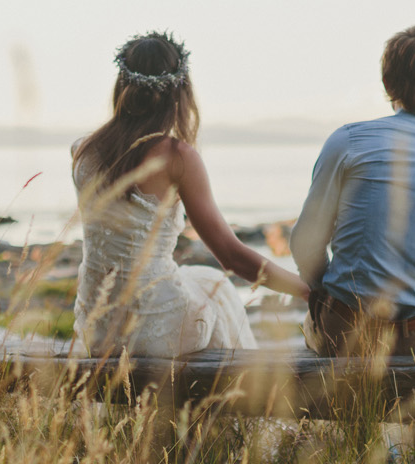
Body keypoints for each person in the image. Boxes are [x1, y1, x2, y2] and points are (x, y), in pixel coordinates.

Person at [72, 32, 308, 357]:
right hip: (153, 327)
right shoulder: (177, 157)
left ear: (122, 87)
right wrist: (309, 292)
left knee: (206, 281)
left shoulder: (83, 151)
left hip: (97, 326)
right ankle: (232, 404)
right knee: (219, 289)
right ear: (180, 93)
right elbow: (232, 255)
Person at [290, 25, 415, 357]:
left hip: (347, 334)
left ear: (387, 83)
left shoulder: (347, 143)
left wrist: (323, 292)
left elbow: (304, 243)